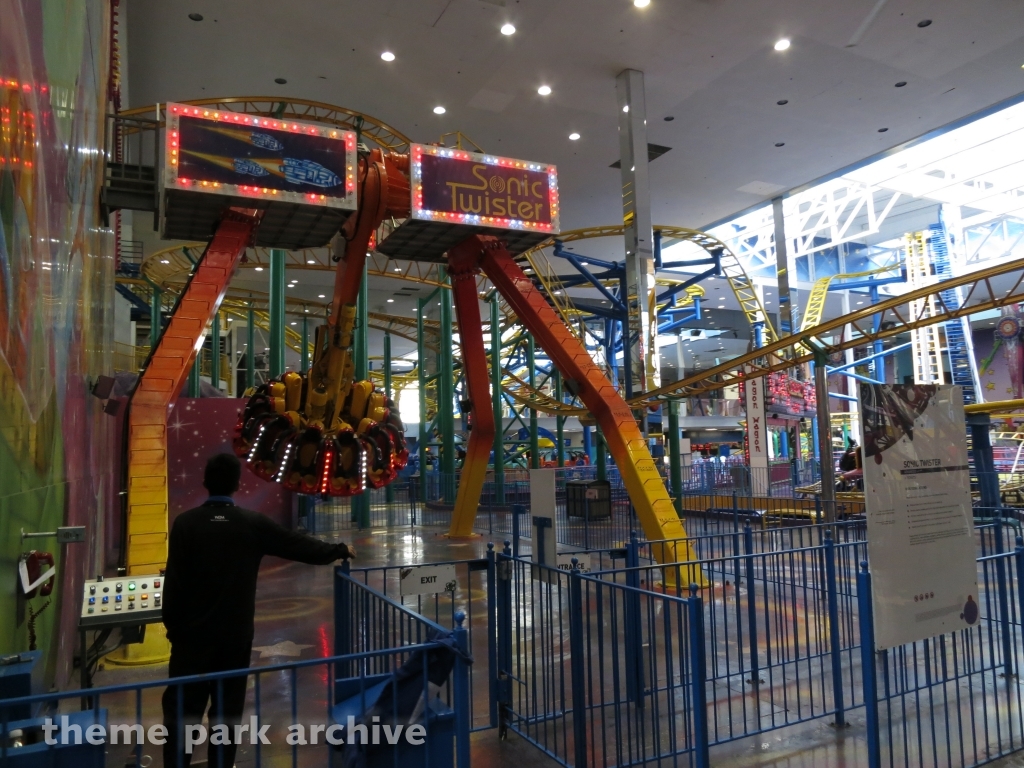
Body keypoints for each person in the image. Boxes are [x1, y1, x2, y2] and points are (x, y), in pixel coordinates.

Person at [161, 453, 354, 768]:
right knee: (227, 712)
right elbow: (296, 545)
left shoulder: (185, 524)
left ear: (206, 483)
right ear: (237, 484)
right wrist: (338, 550)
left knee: (183, 712)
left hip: (190, 642)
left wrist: (175, 631)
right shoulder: (252, 525)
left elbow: (174, 584)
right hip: (233, 639)